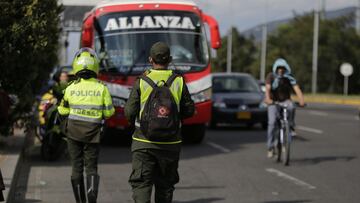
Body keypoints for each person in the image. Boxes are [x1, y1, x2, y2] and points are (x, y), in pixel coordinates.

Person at [125, 42, 195, 203]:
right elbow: (189, 110)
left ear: (151, 59)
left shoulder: (142, 80)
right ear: (169, 59)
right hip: (171, 143)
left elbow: (129, 112)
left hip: (143, 142)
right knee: (165, 187)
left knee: (141, 184)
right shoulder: (178, 81)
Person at [58, 47, 115, 203]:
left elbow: (62, 110)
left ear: (76, 65)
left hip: (73, 133)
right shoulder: (102, 88)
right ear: (94, 65)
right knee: (91, 167)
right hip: (93, 134)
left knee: (76, 167)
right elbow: (110, 112)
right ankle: (91, 198)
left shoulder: (70, 88)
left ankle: (80, 201)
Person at [264, 58, 305, 158]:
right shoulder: (271, 76)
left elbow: (297, 89)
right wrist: (268, 99)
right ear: (275, 68)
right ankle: (270, 147)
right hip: (273, 102)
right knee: (272, 122)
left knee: (292, 106)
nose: (281, 70)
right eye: (279, 68)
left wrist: (302, 100)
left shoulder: (289, 77)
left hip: (285, 100)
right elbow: (268, 89)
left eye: (283, 68)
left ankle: (290, 126)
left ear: (286, 68)